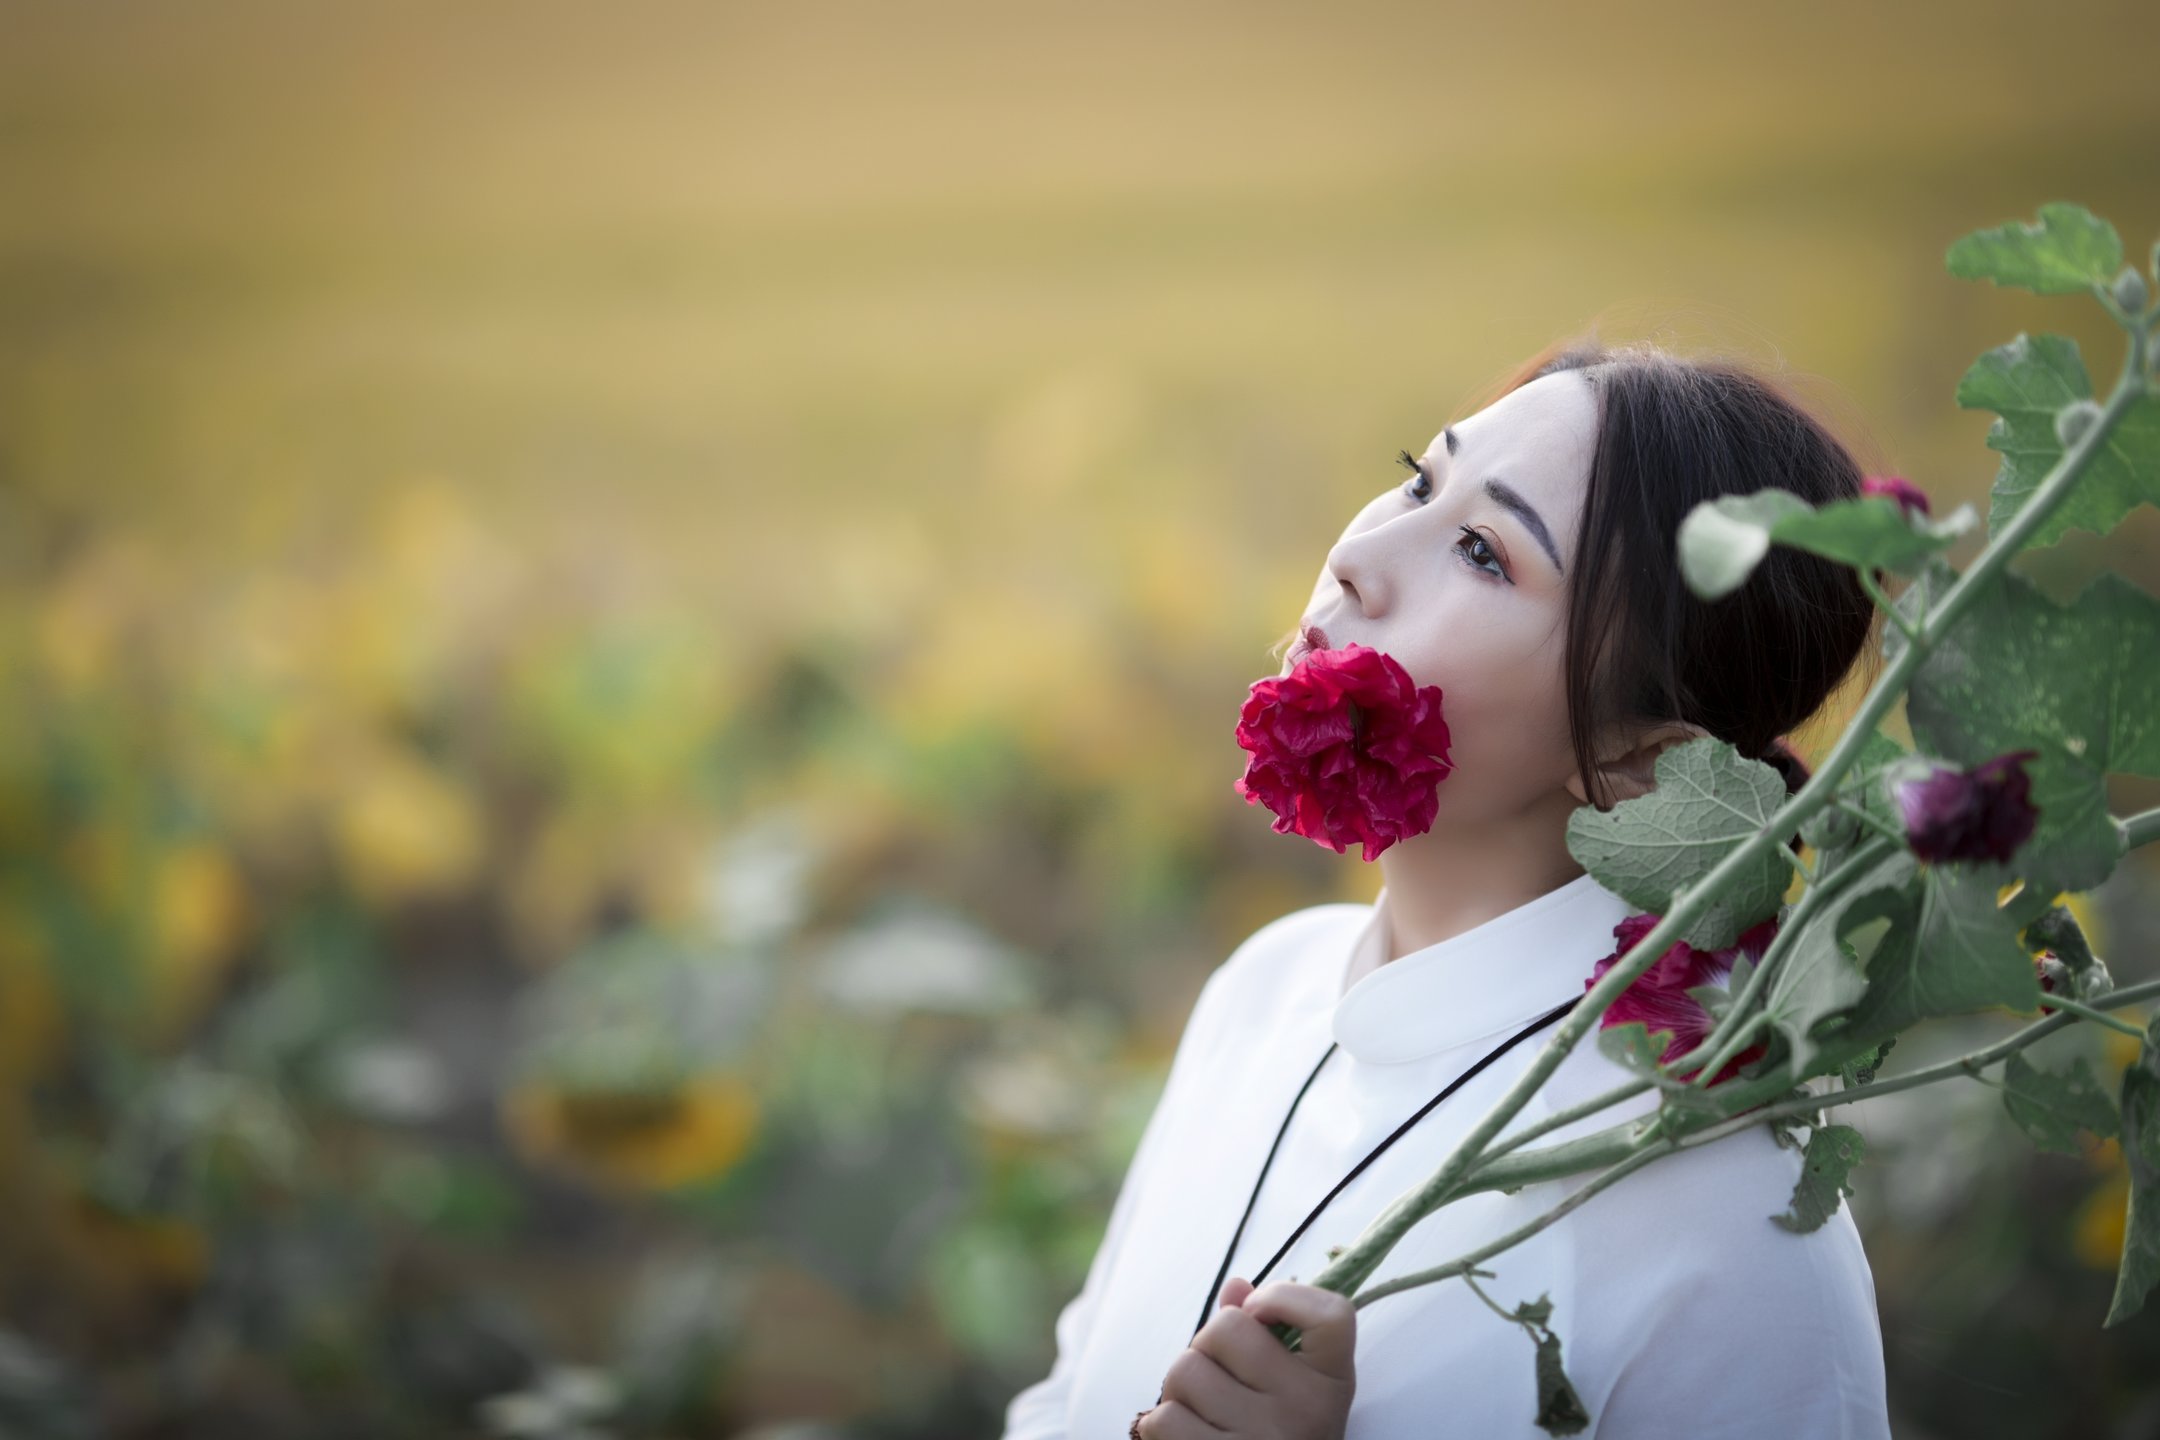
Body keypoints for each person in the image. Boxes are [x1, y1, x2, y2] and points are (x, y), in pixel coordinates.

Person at [997, 337, 1896, 1439]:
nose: (1362, 555)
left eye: (1481, 550)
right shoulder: (1265, 989)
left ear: (1639, 759)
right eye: (1419, 480)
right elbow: (1061, 1405)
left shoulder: (1720, 1205)